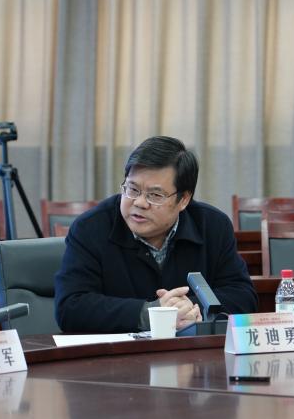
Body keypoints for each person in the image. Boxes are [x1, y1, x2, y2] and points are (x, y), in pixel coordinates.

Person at [55, 136, 258, 333]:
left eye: (155, 195)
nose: (139, 203)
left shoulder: (213, 226)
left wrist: (190, 308)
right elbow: (70, 307)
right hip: (117, 354)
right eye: (132, 189)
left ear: (183, 200)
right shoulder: (90, 228)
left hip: (192, 351)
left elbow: (243, 296)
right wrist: (151, 312)